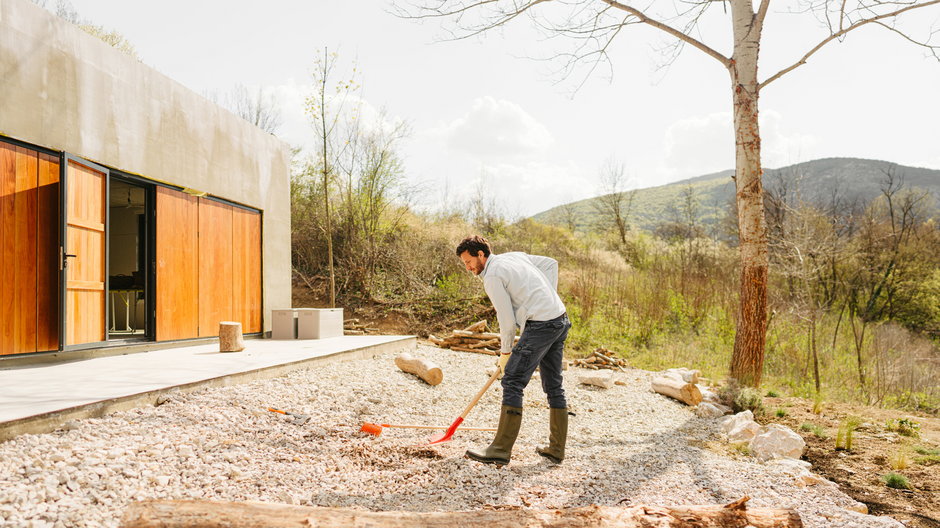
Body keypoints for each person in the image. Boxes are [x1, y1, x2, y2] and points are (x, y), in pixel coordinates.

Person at [455, 235, 571, 466]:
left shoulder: (493, 276)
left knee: (512, 382)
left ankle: (499, 449)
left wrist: (505, 354)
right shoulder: (514, 256)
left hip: (541, 324)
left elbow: (506, 320)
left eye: (469, 261)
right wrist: (548, 297)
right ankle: (556, 449)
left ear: (481, 254)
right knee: (554, 385)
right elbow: (550, 264)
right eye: (464, 264)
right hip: (560, 318)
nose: (468, 267)